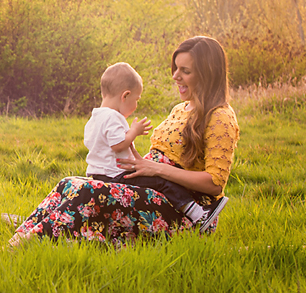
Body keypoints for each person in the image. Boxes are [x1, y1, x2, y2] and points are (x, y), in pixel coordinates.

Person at [8, 36, 239, 248]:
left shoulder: (219, 116)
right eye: (176, 68)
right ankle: (26, 231)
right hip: (151, 188)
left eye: (185, 71)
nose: (175, 76)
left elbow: (215, 183)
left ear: (207, 74)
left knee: (90, 193)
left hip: (186, 210)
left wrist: (156, 169)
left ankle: (27, 244)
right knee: (69, 183)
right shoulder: (180, 109)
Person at [84, 61, 226, 231]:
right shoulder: (112, 117)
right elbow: (118, 145)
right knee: (161, 182)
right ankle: (197, 213)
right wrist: (133, 132)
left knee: (156, 182)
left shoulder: (95, 118)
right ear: (125, 96)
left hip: (101, 174)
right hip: (117, 175)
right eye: (136, 99)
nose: (136, 105)